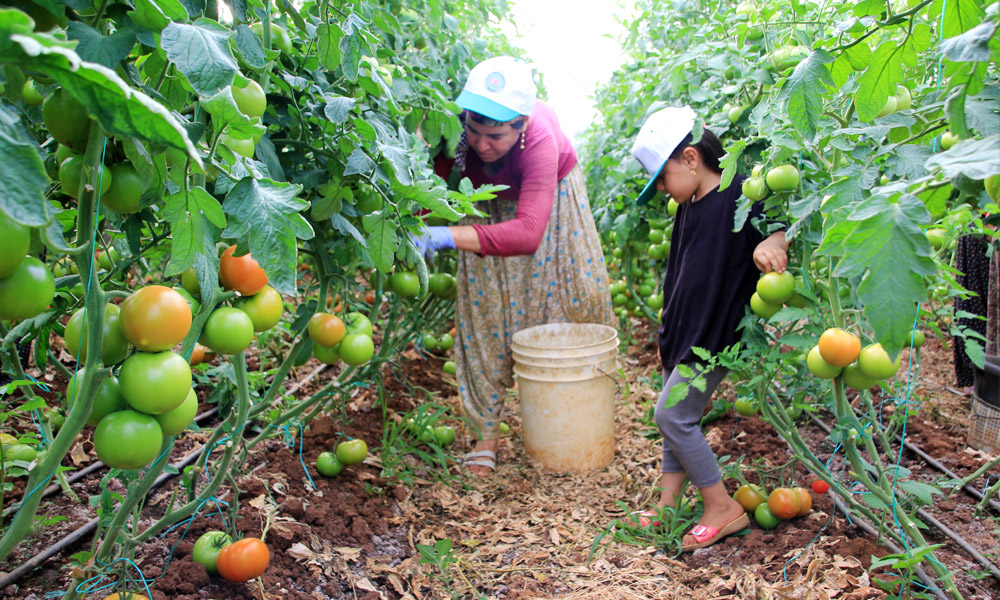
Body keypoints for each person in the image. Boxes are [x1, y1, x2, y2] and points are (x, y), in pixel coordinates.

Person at [414, 56, 614, 476]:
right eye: (474, 130)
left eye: (496, 136)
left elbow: (527, 233)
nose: (482, 144)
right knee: (484, 318)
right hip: (483, 203)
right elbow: (427, 185)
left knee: (566, 301)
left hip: (549, 208)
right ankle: (484, 437)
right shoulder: (454, 128)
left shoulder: (541, 137)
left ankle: (570, 424)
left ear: (521, 125)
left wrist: (448, 235)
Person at [626, 106, 789, 551]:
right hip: (682, 330)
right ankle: (667, 504)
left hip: (713, 336)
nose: (662, 188)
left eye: (663, 177)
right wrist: (667, 330)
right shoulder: (689, 205)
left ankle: (721, 507)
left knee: (672, 415)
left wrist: (776, 240)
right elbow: (680, 271)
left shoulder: (742, 194)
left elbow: (785, 221)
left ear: (692, 158)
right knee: (676, 419)